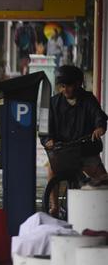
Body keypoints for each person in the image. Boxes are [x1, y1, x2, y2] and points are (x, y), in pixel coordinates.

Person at [42, 65, 108, 216]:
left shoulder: (89, 100)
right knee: (51, 171)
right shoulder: (53, 103)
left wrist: (99, 128)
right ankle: (55, 206)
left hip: (86, 150)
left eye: (69, 86)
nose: (65, 90)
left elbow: (99, 116)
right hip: (63, 151)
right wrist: (47, 140)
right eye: (62, 86)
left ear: (78, 84)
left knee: (103, 181)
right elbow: (45, 128)